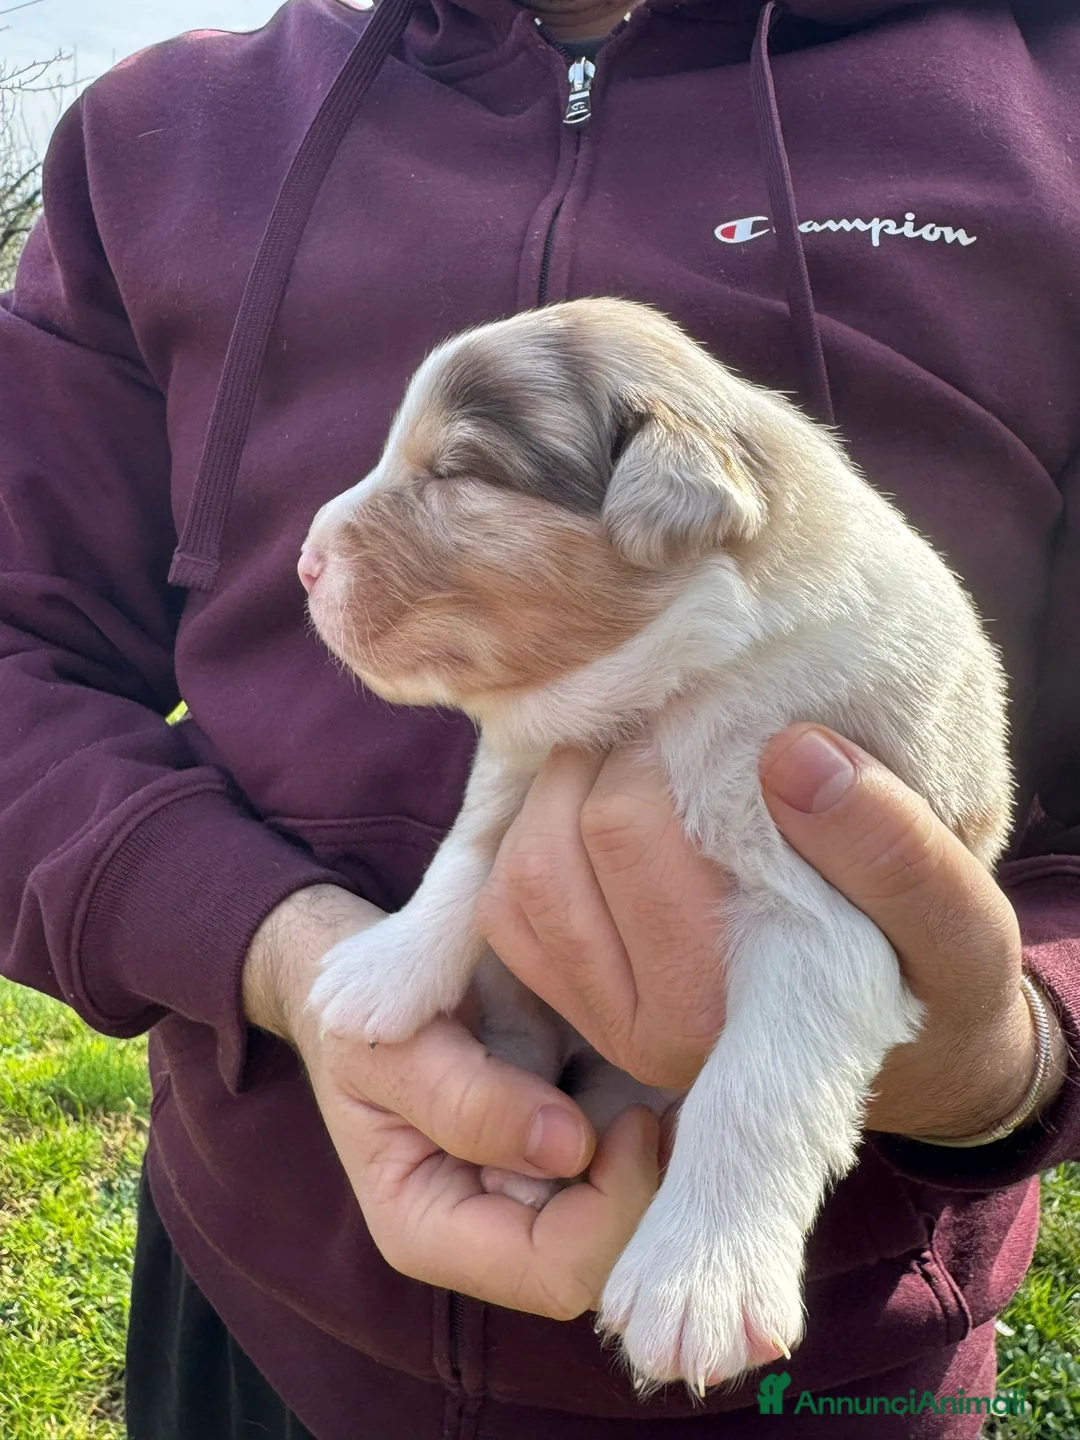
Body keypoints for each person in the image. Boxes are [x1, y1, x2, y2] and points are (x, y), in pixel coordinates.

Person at [0, 0, 1077, 1435]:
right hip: (263, 1297)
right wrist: (296, 957)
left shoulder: (1045, 92)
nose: (322, 543)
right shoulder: (161, 134)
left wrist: (1006, 1048)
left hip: (823, 1357)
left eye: (438, 479)